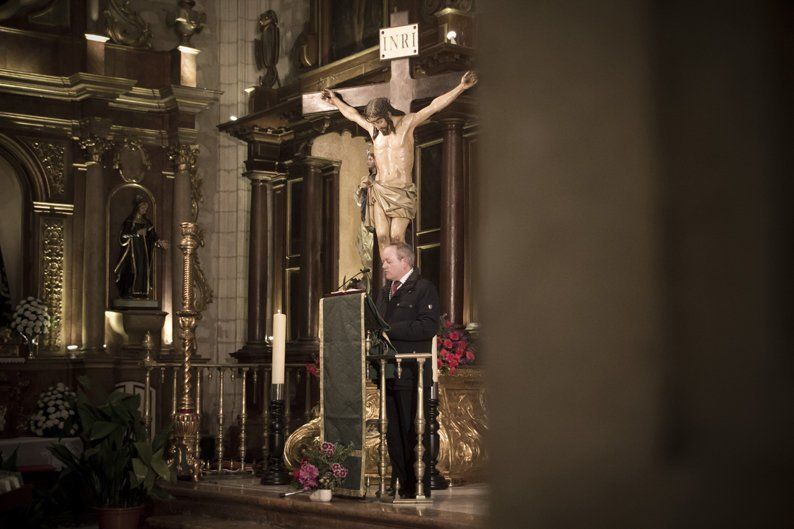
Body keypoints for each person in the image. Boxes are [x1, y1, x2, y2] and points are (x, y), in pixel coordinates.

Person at [322, 71, 478, 253]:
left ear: (387, 114)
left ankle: (404, 278)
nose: (378, 125)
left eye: (380, 120)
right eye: (374, 122)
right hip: (380, 191)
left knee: (396, 238)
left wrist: (461, 87)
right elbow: (352, 114)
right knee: (381, 238)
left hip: (401, 191)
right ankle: (390, 280)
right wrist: (335, 100)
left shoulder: (407, 123)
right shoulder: (374, 130)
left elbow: (434, 107)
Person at [376, 242, 440, 498]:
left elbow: (427, 327)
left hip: (412, 372)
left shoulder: (423, 288)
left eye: (387, 261)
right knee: (392, 432)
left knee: (411, 429)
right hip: (388, 370)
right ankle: (399, 482)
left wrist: (389, 330)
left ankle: (417, 485)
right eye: (383, 262)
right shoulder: (385, 292)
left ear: (405, 261)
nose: (383, 266)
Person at [114, 197, 168, 299]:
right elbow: (124, 235)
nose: (144, 210)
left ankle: (141, 293)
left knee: (143, 269)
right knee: (131, 269)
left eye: (146, 208)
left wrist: (159, 242)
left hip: (143, 250)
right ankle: (127, 292)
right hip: (131, 251)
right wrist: (136, 233)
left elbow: (152, 235)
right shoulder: (130, 221)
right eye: (143, 207)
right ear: (137, 207)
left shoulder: (147, 222)